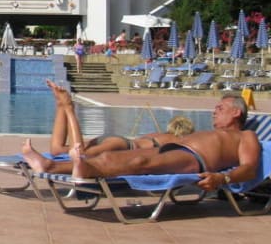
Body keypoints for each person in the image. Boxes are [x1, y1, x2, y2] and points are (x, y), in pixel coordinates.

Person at [25, 87, 259, 191]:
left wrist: (223, 178)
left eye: (220, 108)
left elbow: (249, 168)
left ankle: (81, 168)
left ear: (236, 112)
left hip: (193, 158)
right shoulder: (212, 132)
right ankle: (50, 165)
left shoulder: (246, 136)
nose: (214, 111)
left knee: (139, 163)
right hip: (174, 149)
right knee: (112, 157)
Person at [25, 80, 194, 174]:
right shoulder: (177, 142)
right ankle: (68, 107)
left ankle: (60, 106)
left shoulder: (161, 134)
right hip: (122, 146)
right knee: (80, 153)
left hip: (115, 140)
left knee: (58, 150)